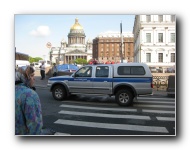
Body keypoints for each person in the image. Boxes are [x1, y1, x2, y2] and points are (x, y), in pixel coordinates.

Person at [15, 66, 55, 135]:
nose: (34, 78)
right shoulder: (30, 94)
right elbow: (34, 125)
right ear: (24, 77)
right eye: (31, 75)